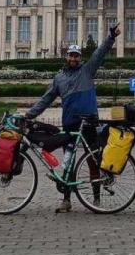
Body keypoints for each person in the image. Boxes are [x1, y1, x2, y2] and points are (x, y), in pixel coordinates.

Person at [24, 23, 120, 213]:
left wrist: (110, 37)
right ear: (66, 56)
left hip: (89, 122)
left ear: (80, 58)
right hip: (70, 125)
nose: (74, 58)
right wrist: (29, 115)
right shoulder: (59, 78)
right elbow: (46, 99)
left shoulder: (87, 70)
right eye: (71, 55)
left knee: (92, 160)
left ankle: (96, 199)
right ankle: (66, 200)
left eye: (76, 55)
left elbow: (99, 54)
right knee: (68, 162)